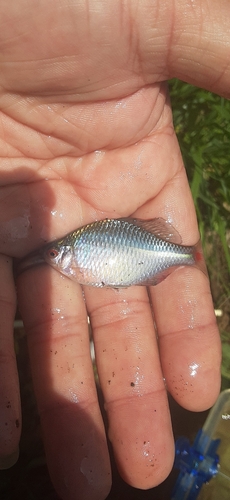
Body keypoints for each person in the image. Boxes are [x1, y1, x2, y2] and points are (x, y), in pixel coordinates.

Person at [0, 1, 228, 499]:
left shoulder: (81, 250)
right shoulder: (79, 250)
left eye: (60, 256)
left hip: (151, 255)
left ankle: (187, 256)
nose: (58, 261)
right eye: (59, 256)